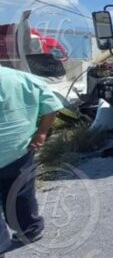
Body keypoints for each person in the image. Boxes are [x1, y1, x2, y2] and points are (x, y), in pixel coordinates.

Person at [0, 65, 61, 250]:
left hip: (18, 150)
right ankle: (30, 230)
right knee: (20, 193)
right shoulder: (25, 79)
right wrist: (41, 133)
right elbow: (52, 107)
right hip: (19, 151)